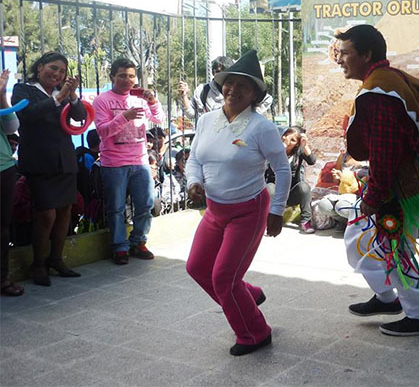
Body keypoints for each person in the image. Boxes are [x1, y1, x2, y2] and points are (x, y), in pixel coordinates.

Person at [335, 24, 419, 337]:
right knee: (358, 238)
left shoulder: (379, 93)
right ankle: (386, 297)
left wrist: (375, 196)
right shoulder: (392, 79)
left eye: (345, 53)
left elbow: (385, 152)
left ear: (366, 54)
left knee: (395, 249)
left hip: (396, 185)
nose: (340, 60)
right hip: (400, 179)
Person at [185, 50, 290, 356]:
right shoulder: (206, 121)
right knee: (197, 267)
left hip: (248, 211)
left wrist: (277, 210)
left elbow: (282, 170)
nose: (233, 89)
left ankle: (255, 333)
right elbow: (194, 160)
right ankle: (248, 295)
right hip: (214, 210)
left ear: (254, 94)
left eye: (243, 85)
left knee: (223, 279)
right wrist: (193, 182)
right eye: (229, 83)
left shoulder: (261, 127)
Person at [11, 52, 86, 285]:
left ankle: (56, 259)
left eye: (62, 71)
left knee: (65, 211)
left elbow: (81, 116)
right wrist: (58, 98)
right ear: (40, 67)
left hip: (65, 161)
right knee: (46, 214)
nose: (57, 74)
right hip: (40, 162)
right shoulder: (23, 90)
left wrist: (71, 96)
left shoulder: (62, 93)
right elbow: (26, 116)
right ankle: (38, 264)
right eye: (53, 68)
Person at [93, 58, 163, 265]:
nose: (127, 80)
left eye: (131, 76)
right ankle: (119, 247)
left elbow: (159, 119)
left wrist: (153, 101)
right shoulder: (102, 100)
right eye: (122, 75)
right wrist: (125, 117)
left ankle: (138, 242)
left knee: (146, 204)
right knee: (116, 208)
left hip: (140, 161)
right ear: (112, 77)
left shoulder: (139, 98)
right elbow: (103, 132)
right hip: (114, 163)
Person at [266, 126, 316, 233]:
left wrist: (305, 146)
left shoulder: (298, 152)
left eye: (292, 140)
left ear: (297, 144)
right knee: (269, 188)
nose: (287, 141)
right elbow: (265, 166)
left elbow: (312, 161)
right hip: (275, 193)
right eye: (285, 136)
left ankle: (306, 221)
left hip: (291, 193)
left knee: (304, 187)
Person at [1, 69, 23, 296]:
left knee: (2, 227)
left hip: (3, 168)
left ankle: (2, 277)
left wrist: (2, 95)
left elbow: (11, 127)